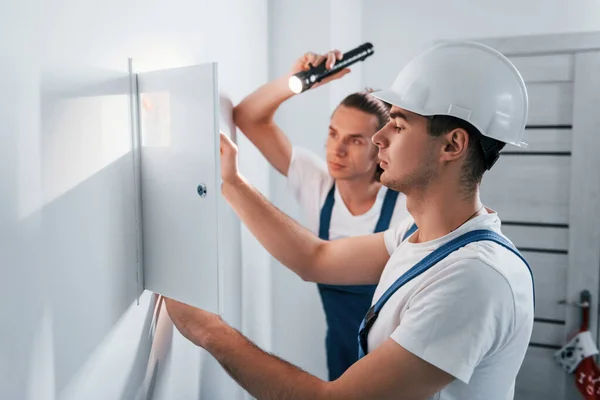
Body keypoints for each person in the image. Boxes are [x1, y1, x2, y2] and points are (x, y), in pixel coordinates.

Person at [165, 41, 535, 399]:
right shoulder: (418, 234)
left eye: (400, 125)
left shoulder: (473, 279)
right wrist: (229, 180)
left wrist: (207, 330)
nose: (378, 138)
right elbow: (315, 259)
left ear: (452, 146)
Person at [233, 49, 409, 379]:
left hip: (396, 370)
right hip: (340, 358)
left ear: (380, 147)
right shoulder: (316, 183)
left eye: (355, 140)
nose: (336, 149)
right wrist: (299, 83)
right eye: (332, 133)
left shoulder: (405, 207)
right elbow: (247, 116)